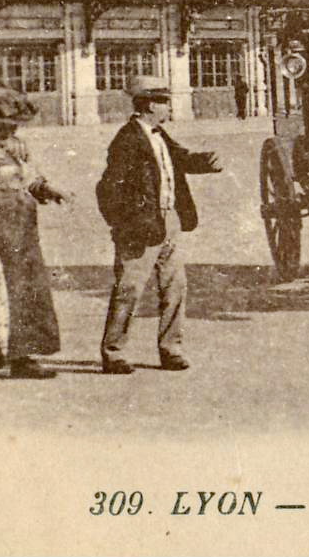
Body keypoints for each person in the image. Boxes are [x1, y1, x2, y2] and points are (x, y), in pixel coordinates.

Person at [95, 75, 223, 374]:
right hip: (140, 227)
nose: (169, 107)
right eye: (165, 102)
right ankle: (113, 353)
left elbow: (179, 159)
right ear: (151, 105)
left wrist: (206, 162)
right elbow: (108, 189)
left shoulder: (160, 134)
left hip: (169, 222)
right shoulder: (127, 139)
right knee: (129, 290)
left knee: (175, 287)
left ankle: (171, 350)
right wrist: (124, 226)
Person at [0, 88, 68, 381]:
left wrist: (48, 189)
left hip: (21, 234)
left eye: (14, 126)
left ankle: (23, 358)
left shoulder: (18, 147)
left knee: (26, 293)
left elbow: (30, 177)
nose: (11, 131)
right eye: (5, 125)